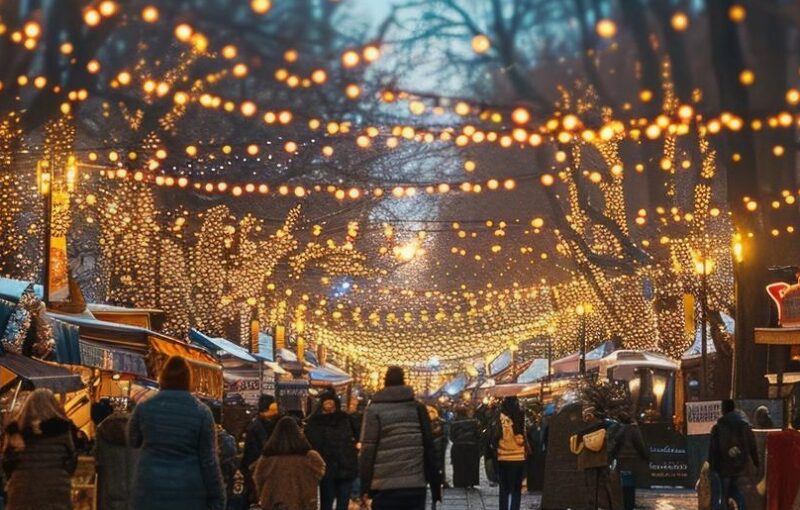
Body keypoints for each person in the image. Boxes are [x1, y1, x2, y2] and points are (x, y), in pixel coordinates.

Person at [128, 355, 225, 510]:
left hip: (149, 489)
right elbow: (209, 460)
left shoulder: (144, 408)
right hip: (188, 492)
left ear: (163, 378)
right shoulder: (202, 412)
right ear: (188, 380)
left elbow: (133, 439)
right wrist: (217, 497)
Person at [359, 366, 442, 510]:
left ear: (385, 382)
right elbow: (429, 447)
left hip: (383, 486)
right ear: (404, 381)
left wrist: (364, 487)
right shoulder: (418, 408)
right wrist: (435, 484)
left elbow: (368, 450)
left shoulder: (373, 410)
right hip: (415, 484)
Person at [2, 388, 77, 510]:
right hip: (56, 492)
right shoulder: (62, 429)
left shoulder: (16, 432)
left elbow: (6, 464)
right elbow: (72, 460)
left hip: (22, 492)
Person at [252, 416, 326, 510]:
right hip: (302, 501)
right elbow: (320, 471)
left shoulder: (267, 458)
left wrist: (263, 494)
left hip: (273, 502)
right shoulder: (309, 457)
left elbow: (258, 478)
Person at [304, 390, 359, 510]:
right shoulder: (315, 422)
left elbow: (357, 438)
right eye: (327, 403)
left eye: (331, 403)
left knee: (341, 504)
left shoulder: (345, 419)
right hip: (327, 468)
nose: (329, 406)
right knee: (327, 503)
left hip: (345, 467)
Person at [708, 399, 759, 510]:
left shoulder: (718, 428)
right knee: (738, 493)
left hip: (723, 469)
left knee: (723, 496)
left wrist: (711, 467)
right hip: (741, 467)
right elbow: (752, 446)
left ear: (723, 410)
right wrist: (756, 463)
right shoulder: (745, 426)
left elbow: (713, 450)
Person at [94, 402, 139, 510]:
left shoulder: (103, 431)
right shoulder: (139, 430)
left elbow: (97, 461)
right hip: (136, 494)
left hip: (109, 492)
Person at [241, 395, 279, 505]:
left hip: (261, 468)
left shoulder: (264, 423)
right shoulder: (258, 426)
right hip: (260, 469)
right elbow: (255, 451)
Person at [491, 396, 526, 510]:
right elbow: (524, 435)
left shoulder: (499, 416)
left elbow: (495, 436)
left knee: (504, 488)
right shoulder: (521, 415)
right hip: (519, 457)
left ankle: (504, 508)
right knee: (516, 488)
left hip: (503, 457)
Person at [610, 411, 649, 510]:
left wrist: (611, 457)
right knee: (630, 483)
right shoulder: (634, 429)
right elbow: (639, 444)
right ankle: (629, 504)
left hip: (621, 459)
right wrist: (645, 456)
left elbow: (615, 445)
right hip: (632, 459)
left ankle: (624, 503)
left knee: (623, 483)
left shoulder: (619, 430)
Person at [450, 405, 481, 488]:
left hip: (458, 446)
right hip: (472, 446)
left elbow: (451, 436)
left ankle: (460, 482)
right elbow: (478, 434)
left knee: (459, 466)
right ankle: (471, 481)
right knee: (471, 465)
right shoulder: (473, 421)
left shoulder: (454, 423)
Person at [427, 405, 448, 489]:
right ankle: (439, 480)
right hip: (435, 444)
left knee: (439, 464)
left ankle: (440, 480)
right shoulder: (437, 422)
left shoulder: (438, 422)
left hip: (437, 444)